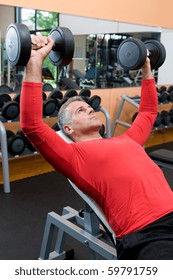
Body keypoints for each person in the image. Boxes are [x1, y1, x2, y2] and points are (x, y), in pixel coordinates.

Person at [20, 34, 173, 260]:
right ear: (68, 129)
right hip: (148, 234)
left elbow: (149, 111)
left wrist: (147, 67)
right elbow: (32, 126)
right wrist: (34, 61)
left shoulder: (128, 140)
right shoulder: (74, 157)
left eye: (88, 107)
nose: (90, 109)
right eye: (80, 111)